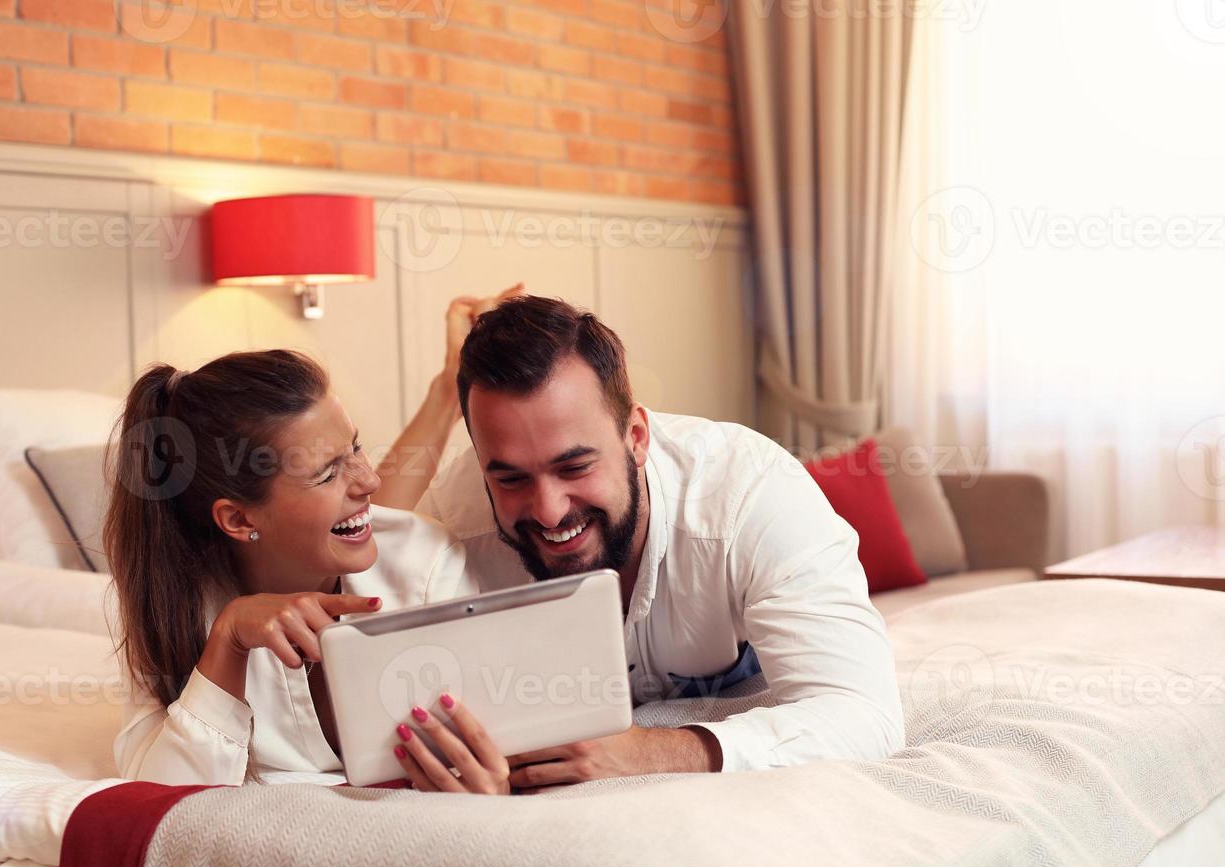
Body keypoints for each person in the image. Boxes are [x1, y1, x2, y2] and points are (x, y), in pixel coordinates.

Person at [406, 294, 906, 793]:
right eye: (511, 480)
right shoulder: (452, 522)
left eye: (574, 467)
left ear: (637, 436)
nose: (549, 510)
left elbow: (864, 715)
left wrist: (649, 752)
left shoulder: (750, 491)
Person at [105, 347, 510, 793]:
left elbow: (494, 744)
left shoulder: (427, 563)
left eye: (355, 448)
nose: (369, 481)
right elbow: (159, 797)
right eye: (327, 473)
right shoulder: (171, 607)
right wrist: (229, 638)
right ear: (239, 520)